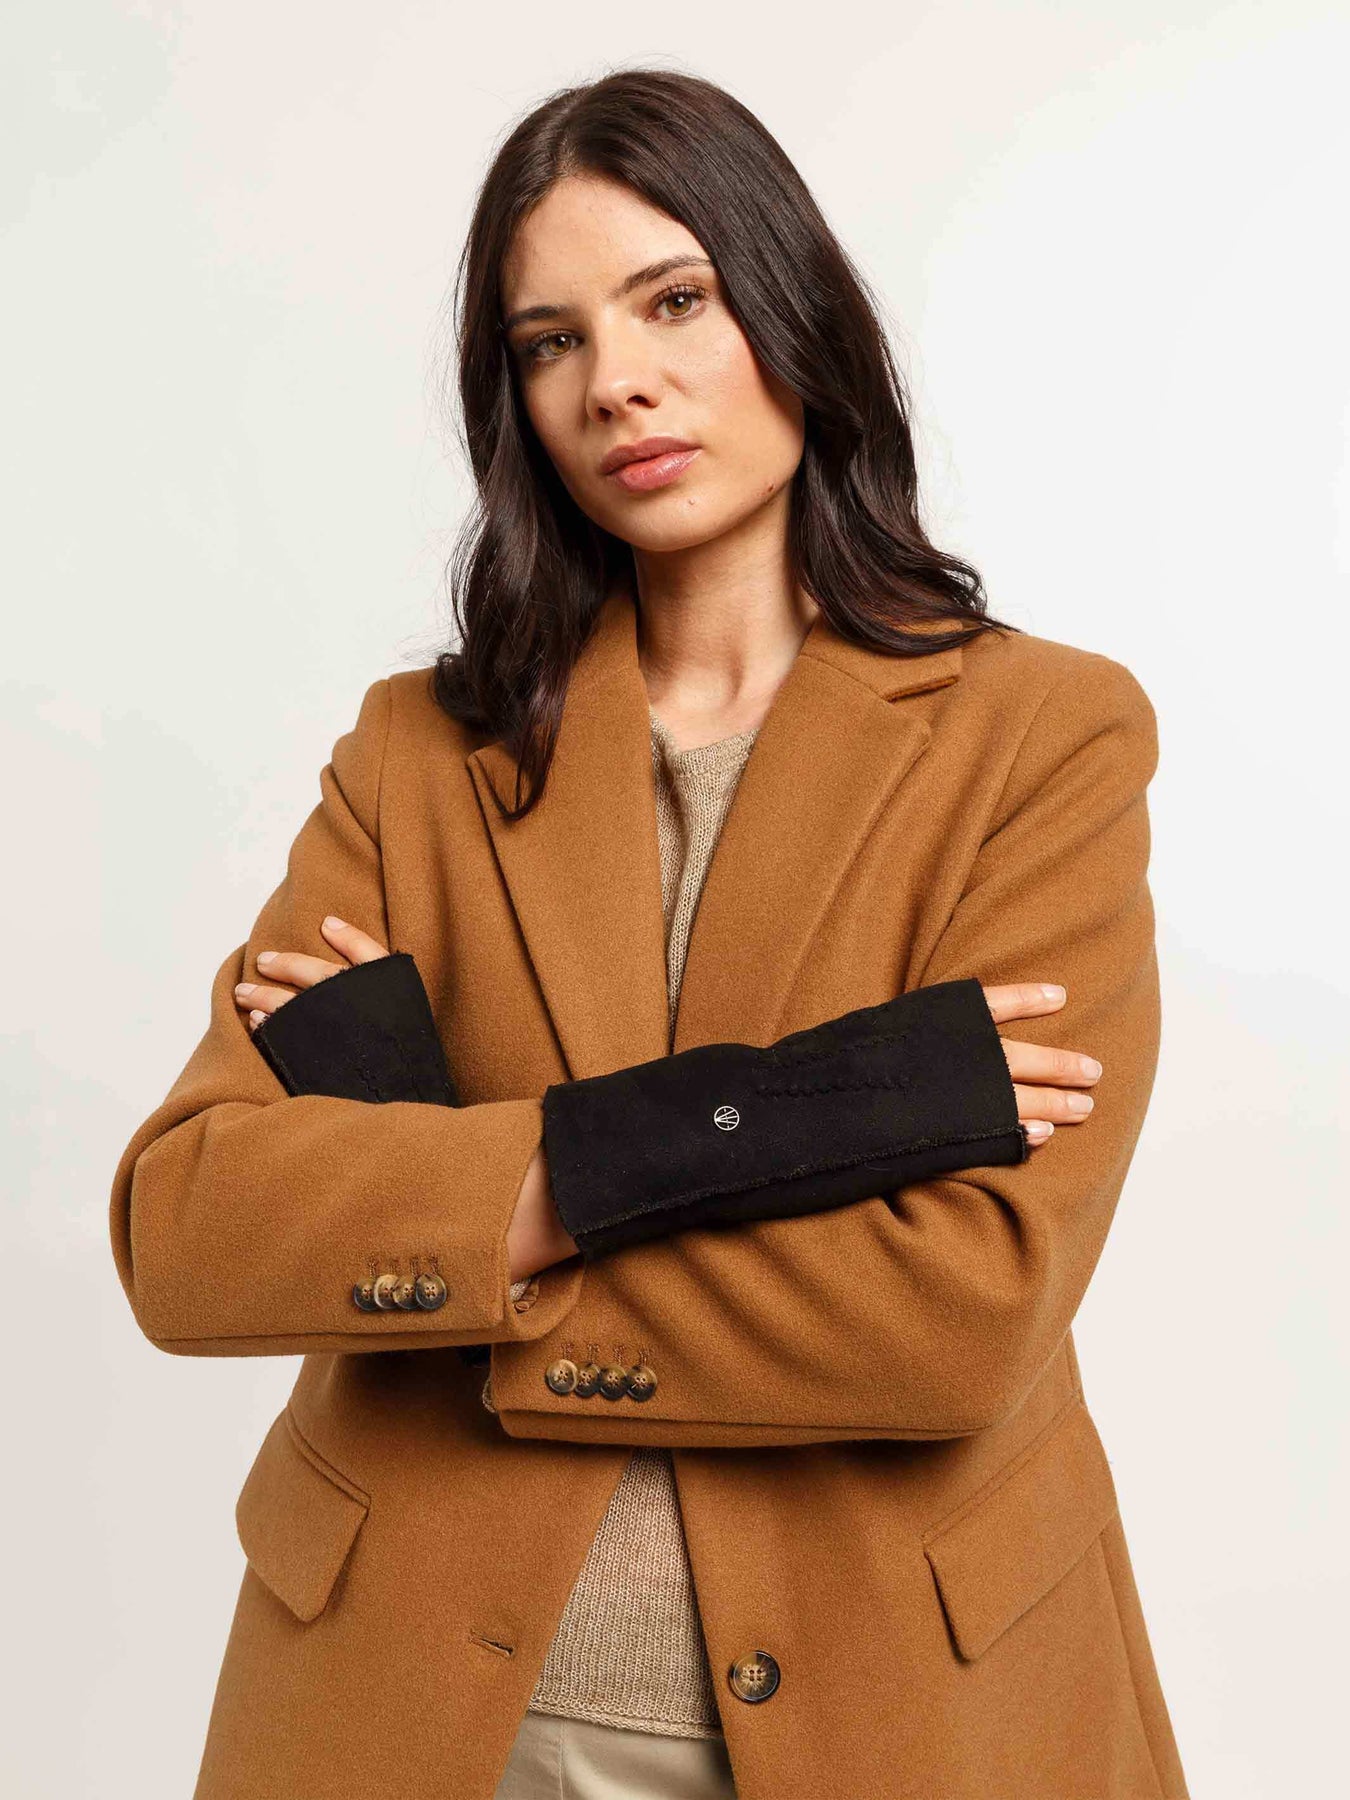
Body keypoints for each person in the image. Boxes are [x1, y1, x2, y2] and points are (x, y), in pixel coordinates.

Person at [109, 65, 1189, 1800]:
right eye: (549, 342)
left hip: (897, 1711)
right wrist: (793, 1120)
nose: (613, 381)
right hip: (417, 1710)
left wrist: (459, 1203)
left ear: (789, 305)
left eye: (672, 301)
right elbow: (190, 1228)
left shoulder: (1040, 738)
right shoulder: (416, 756)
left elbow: (959, 1314)